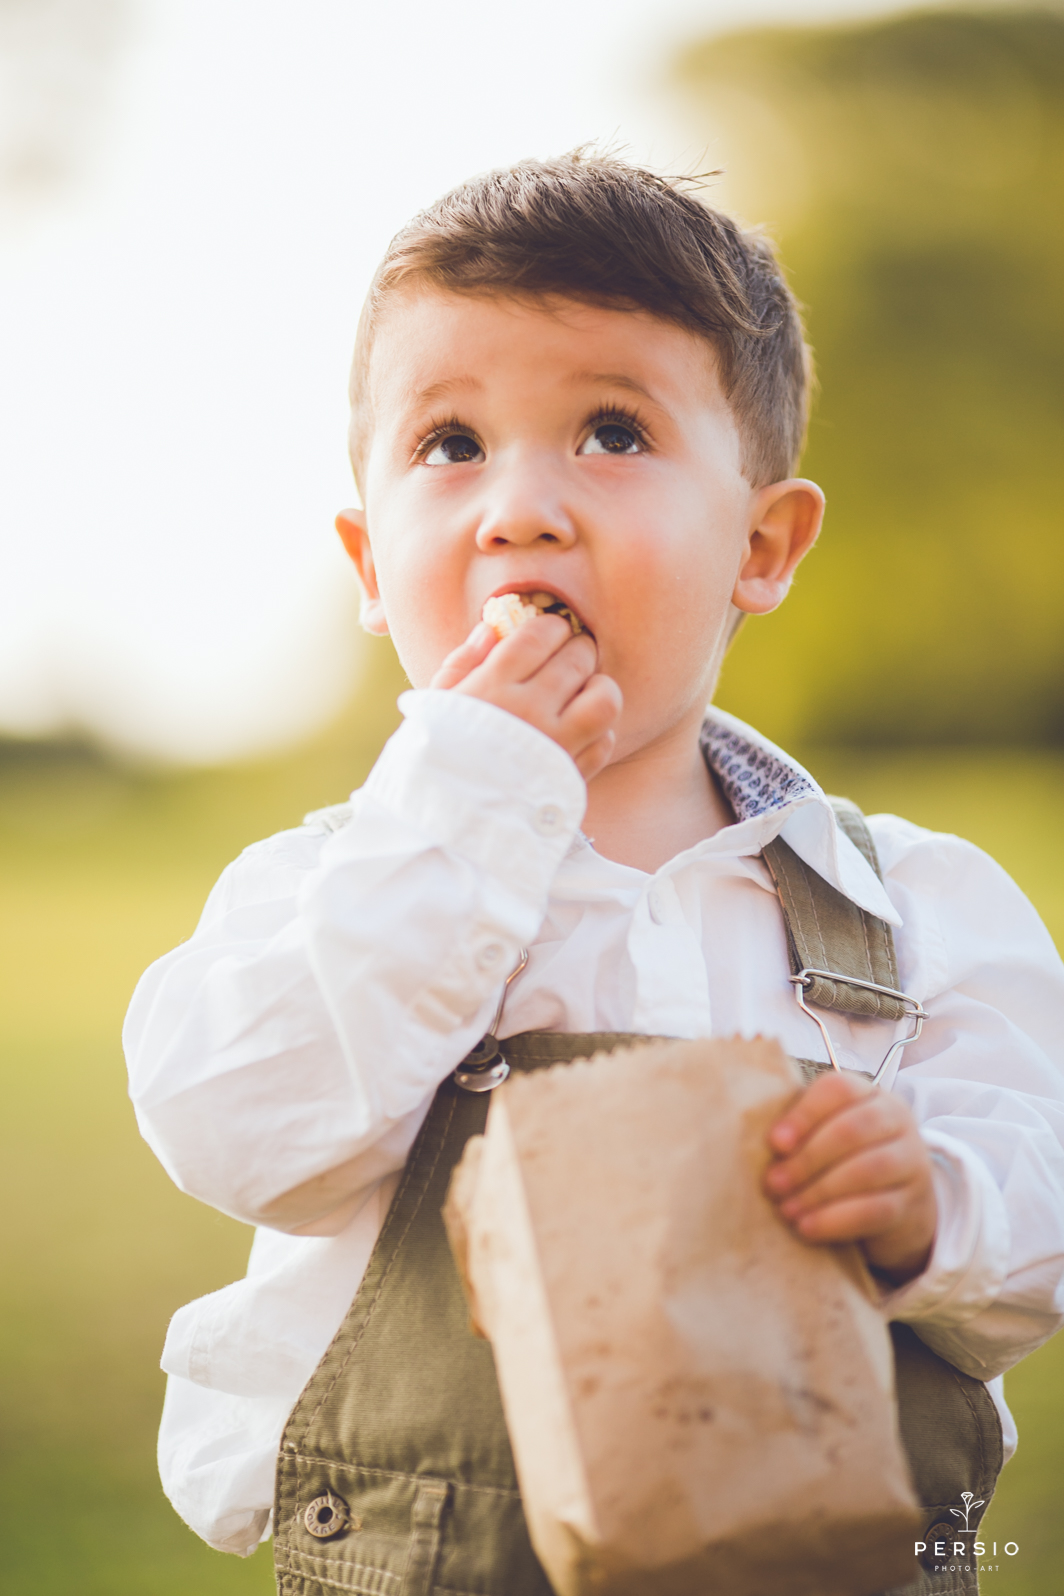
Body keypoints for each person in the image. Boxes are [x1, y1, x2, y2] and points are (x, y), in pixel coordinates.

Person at [124, 153, 1064, 1590]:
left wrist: (938, 1202)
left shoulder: (918, 909)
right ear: (371, 566)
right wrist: (472, 798)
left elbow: (1044, 1215)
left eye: (612, 432)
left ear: (761, 544)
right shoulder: (323, 892)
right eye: (451, 444)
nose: (521, 507)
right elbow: (241, 1134)